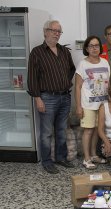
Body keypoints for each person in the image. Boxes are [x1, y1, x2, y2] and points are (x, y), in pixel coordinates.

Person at [27, 20, 76, 174]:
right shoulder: (37, 52)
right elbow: (32, 78)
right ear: (45, 32)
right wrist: (37, 98)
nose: (56, 33)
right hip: (46, 98)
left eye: (59, 31)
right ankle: (47, 162)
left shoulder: (64, 51)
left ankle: (61, 158)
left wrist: (65, 82)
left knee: (61, 129)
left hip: (64, 97)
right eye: (53, 30)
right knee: (47, 132)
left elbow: (72, 69)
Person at [75, 36, 110, 169]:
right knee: (88, 130)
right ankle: (86, 158)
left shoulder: (105, 62)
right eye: (91, 46)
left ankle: (94, 155)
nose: (94, 48)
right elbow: (77, 86)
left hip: (102, 104)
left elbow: (108, 83)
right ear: (87, 48)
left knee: (97, 130)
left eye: (96, 45)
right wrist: (78, 106)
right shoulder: (83, 64)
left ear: (100, 47)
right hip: (87, 104)